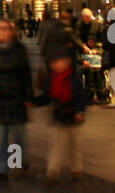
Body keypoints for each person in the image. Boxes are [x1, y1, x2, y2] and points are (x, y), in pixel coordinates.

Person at [0, 18, 34, 183]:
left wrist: (28, 97)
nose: (3, 31)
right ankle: (3, 170)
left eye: (6, 28)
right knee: (1, 137)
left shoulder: (19, 50)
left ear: (12, 31)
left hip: (16, 98)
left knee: (18, 136)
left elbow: (26, 75)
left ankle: (16, 163)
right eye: (0, 29)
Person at [36, 52, 87, 183]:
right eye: (55, 63)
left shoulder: (74, 78)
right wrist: (34, 102)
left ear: (68, 62)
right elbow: (47, 96)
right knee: (57, 146)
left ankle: (77, 170)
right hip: (59, 116)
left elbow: (81, 96)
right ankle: (53, 171)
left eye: (61, 62)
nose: (58, 65)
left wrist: (80, 111)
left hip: (73, 116)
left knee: (75, 146)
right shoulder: (50, 79)